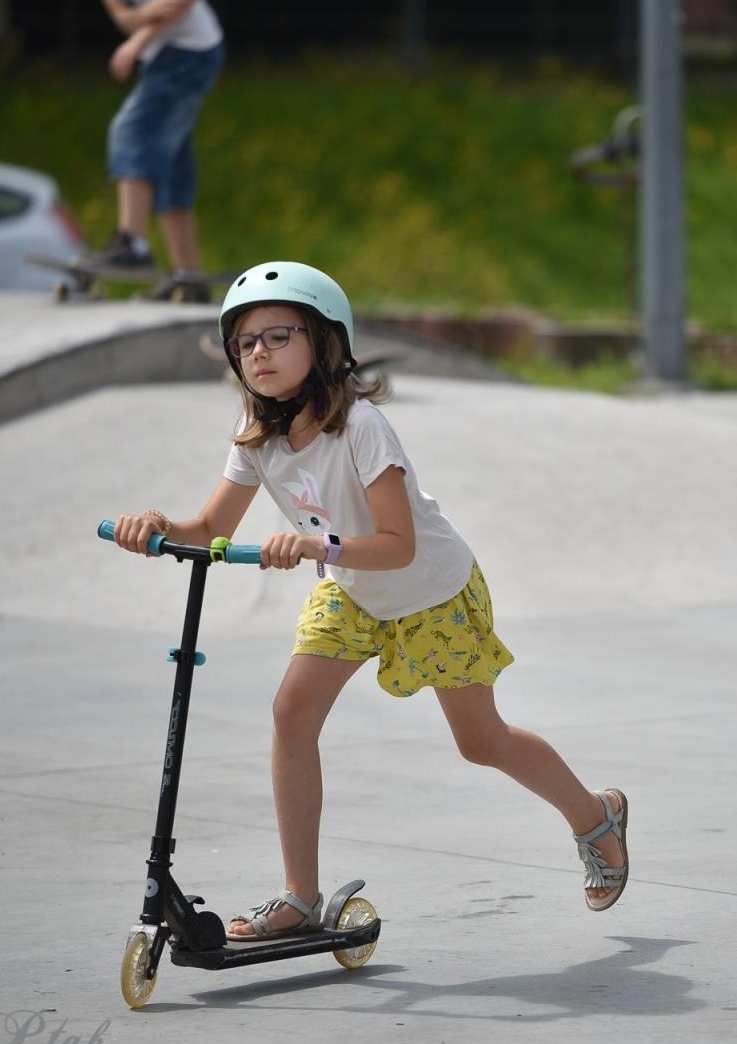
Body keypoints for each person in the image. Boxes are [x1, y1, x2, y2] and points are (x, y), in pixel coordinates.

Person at [111, 261, 630, 936]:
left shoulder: (361, 427)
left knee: (481, 741)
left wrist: (316, 547)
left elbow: (398, 544)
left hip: (431, 590)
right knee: (292, 712)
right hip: (353, 591)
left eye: (276, 336)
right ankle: (300, 896)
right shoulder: (257, 436)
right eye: (244, 344)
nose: (257, 353)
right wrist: (157, 524)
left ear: (323, 342)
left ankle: (595, 815)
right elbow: (209, 530)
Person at [93, 0, 225, 301]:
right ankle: (188, 276)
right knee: (171, 161)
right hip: (164, 55)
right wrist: (140, 18)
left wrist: (137, 40)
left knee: (133, 130)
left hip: (190, 51)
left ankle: (132, 242)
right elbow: (121, 13)